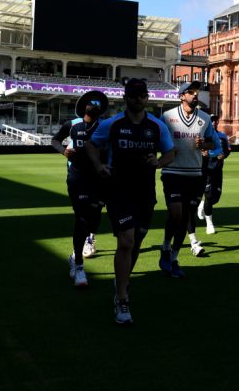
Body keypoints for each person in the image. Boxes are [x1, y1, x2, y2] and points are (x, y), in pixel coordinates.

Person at [87, 78, 175, 325]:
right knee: (126, 241)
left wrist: (158, 162)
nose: (138, 99)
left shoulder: (157, 126)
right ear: (126, 97)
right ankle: (121, 297)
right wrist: (98, 165)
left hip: (145, 192)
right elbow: (91, 145)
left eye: (142, 95)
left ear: (147, 98)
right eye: (134, 95)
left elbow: (169, 152)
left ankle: (122, 279)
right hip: (119, 189)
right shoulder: (112, 124)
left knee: (136, 241)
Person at [159, 81, 219, 277]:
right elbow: (157, 141)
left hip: (195, 173)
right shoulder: (167, 116)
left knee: (185, 219)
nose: (195, 95)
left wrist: (205, 144)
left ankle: (174, 257)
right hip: (172, 172)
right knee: (176, 213)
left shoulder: (204, 118)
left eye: (197, 92)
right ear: (181, 96)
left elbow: (213, 144)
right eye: (191, 92)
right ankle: (165, 247)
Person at [51, 90, 108, 286]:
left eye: (97, 103)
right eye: (90, 102)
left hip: (99, 178)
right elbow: (55, 140)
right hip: (77, 177)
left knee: (95, 216)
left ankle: (84, 245)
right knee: (82, 218)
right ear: (83, 105)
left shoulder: (105, 127)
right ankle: (79, 266)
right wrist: (63, 151)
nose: (93, 105)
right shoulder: (72, 124)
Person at [194, 110, 231, 237]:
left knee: (216, 197)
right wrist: (205, 154)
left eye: (216, 120)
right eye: (212, 120)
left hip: (218, 170)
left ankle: (202, 205)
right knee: (209, 196)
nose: (214, 122)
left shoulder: (222, 136)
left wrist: (223, 155)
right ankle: (209, 224)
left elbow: (226, 150)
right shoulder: (202, 135)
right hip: (206, 170)